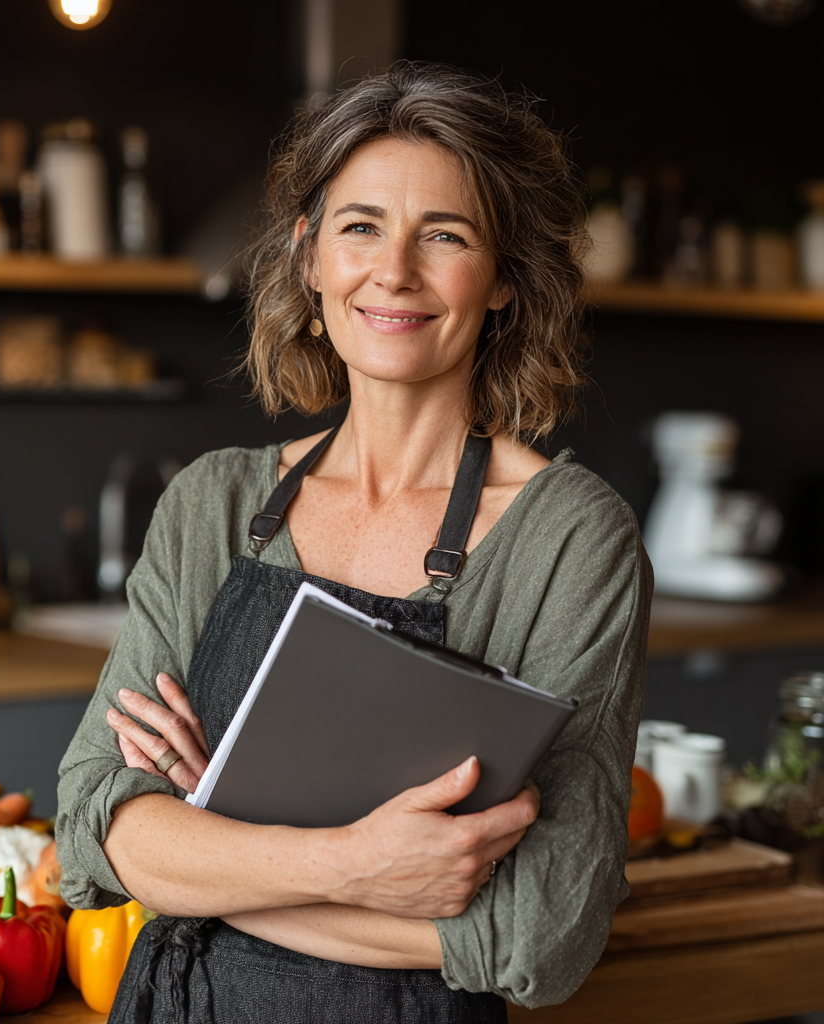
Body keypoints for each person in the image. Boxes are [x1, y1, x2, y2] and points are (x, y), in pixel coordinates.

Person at [56, 62, 652, 1023]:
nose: (394, 272)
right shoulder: (214, 504)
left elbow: (542, 932)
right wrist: (362, 867)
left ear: (503, 280)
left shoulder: (572, 540)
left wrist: (205, 848)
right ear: (309, 254)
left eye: (445, 236)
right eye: (361, 226)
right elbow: (95, 832)